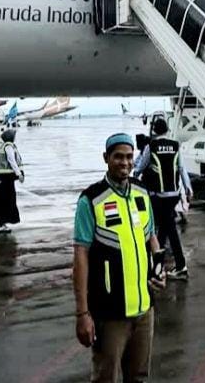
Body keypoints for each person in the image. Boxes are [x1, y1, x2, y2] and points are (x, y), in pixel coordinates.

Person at [73, 133, 166, 383]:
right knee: (106, 377)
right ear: (106, 158)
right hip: (109, 313)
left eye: (129, 157)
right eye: (118, 157)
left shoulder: (141, 193)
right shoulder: (91, 200)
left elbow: (151, 236)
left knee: (138, 377)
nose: (124, 163)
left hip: (144, 309)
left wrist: (159, 267)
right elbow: (81, 255)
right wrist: (83, 313)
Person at [134, 118, 193, 279]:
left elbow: (139, 168)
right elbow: (181, 169)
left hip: (158, 196)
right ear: (167, 130)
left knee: (166, 230)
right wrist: (188, 188)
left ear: (154, 131)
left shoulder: (150, 146)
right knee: (165, 229)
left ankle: (180, 266)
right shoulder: (175, 146)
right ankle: (159, 266)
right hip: (174, 194)